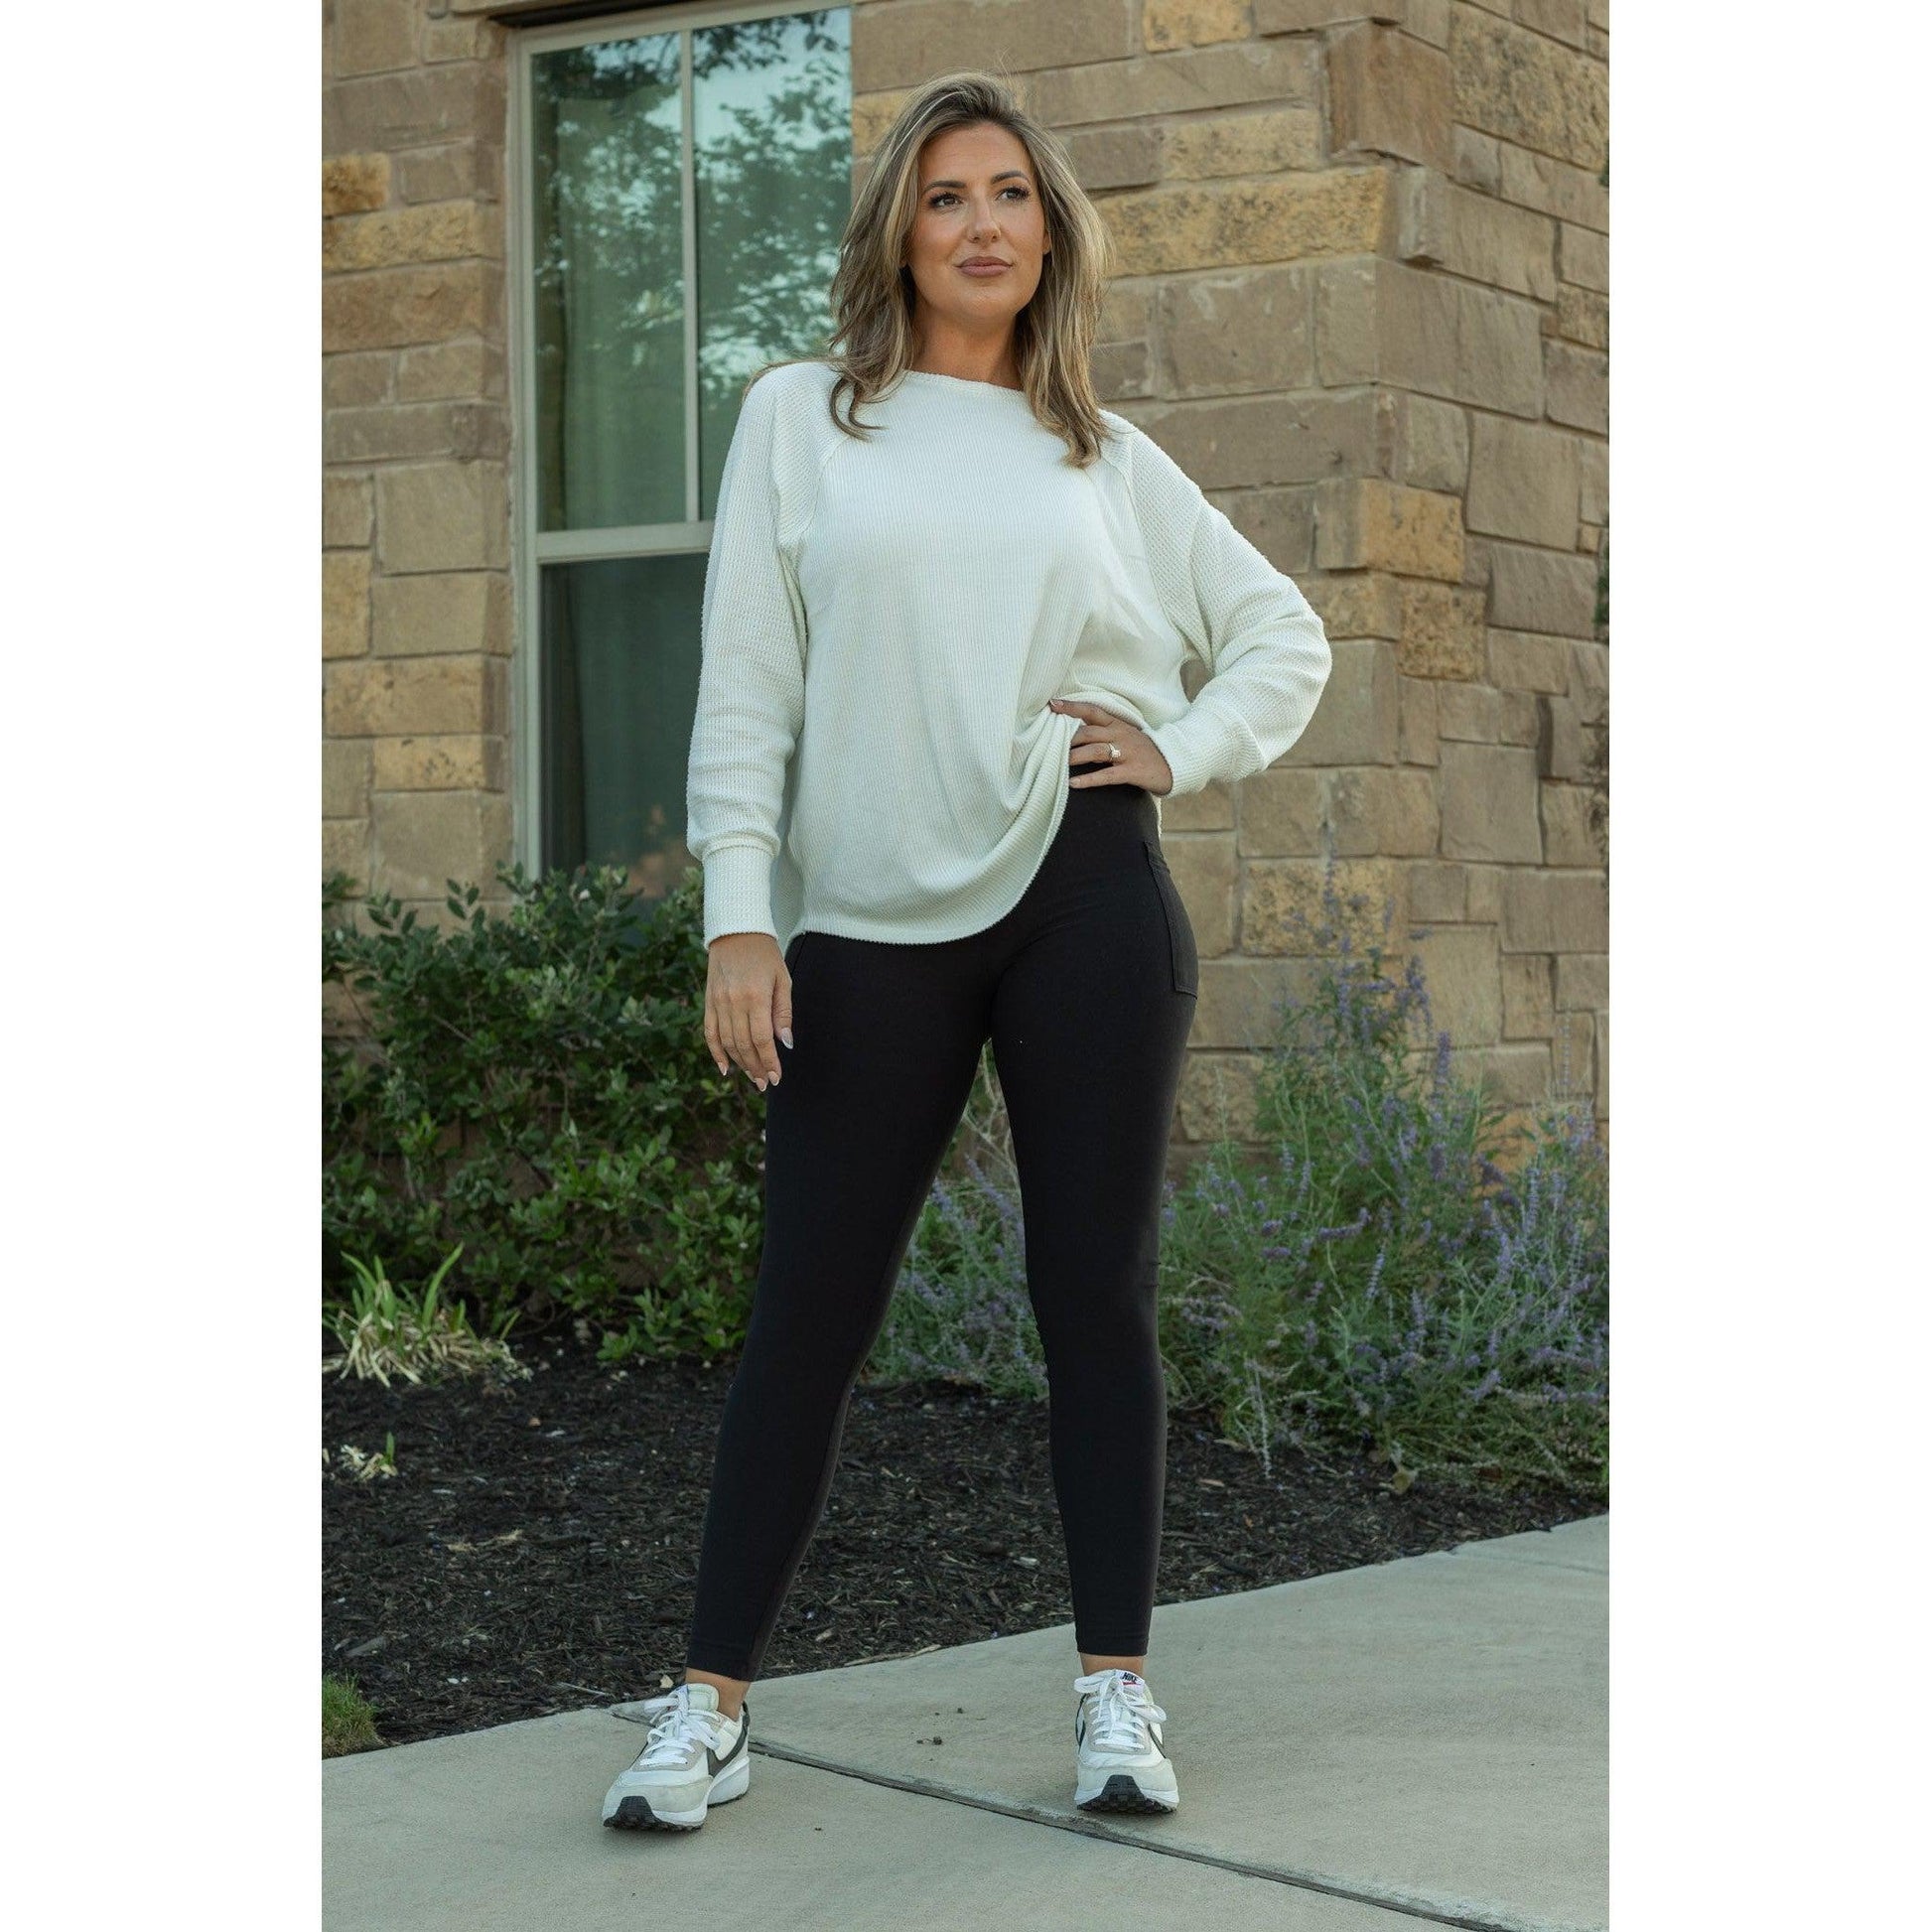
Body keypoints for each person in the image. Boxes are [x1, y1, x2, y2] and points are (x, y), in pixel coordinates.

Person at [602, 70, 1330, 1835]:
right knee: (808, 1314)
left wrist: (1181, 743)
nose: (983, 221)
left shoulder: (1103, 453)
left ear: (1048, 231)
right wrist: (740, 915)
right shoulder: (799, 417)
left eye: (1010, 192)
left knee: (1094, 1301)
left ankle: (1115, 1695)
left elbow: (1280, 637)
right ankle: (708, 1705)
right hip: (863, 924)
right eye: (945, 196)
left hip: (1082, 887)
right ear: (898, 233)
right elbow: (747, 691)